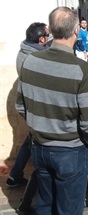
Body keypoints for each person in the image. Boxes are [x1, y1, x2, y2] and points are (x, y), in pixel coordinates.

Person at [15, 7, 88, 215]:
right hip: (71, 151)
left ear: (51, 31)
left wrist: (39, 128)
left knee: (45, 208)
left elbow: (21, 106)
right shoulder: (82, 70)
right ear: (75, 31)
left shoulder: (30, 63)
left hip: (40, 149)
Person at [6, 22, 50, 190]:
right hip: (38, 105)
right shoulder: (37, 57)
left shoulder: (23, 51)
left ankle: (15, 175)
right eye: (47, 35)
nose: (49, 38)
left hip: (29, 105)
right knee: (39, 144)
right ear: (41, 39)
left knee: (30, 140)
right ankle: (35, 187)